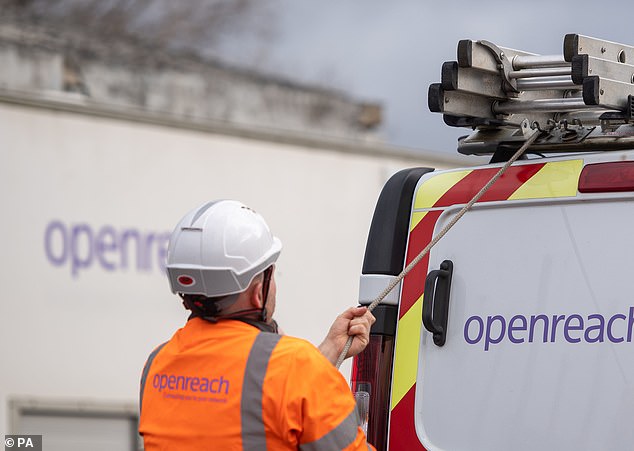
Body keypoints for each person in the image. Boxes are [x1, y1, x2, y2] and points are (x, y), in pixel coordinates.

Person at [139, 200, 376, 450]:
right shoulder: (298, 367)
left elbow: (256, 398)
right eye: (270, 274)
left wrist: (330, 349)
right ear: (257, 292)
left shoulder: (156, 364)